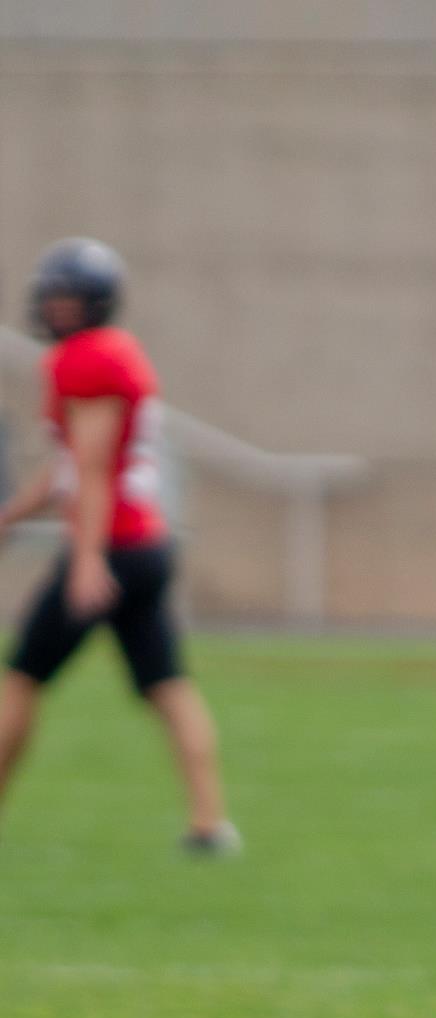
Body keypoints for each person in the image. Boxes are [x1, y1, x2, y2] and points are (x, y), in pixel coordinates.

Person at [0, 239, 236, 851]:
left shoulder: (86, 360)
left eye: (68, 298)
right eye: (52, 297)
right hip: (142, 547)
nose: (56, 308)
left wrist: (85, 560)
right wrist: (11, 517)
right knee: (166, 684)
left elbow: (92, 469)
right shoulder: (114, 352)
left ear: (96, 302)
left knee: (21, 676)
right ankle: (210, 823)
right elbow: (65, 472)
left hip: (112, 549)